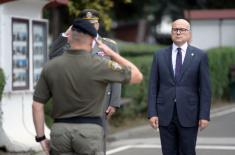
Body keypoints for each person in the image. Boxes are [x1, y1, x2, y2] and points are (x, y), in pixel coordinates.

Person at [32, 19, 143, 155]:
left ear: (69, 38)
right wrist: (112, 54)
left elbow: (37, 105)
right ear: (92, 40)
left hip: (59, 132)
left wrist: (41, 137)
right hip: (89, 132)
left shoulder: (51, 66)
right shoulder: (100, 65)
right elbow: (137, 75)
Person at [147, 19, 211, 155]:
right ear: (171, 33)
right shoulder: (159, 55)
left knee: (187, 151)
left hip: (189, 113)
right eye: (175, 29)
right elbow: (153, 86)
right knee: (168, 152)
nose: (178, 32)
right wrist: (152, 113)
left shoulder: (200, 56)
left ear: (189, 33)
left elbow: (205, 88)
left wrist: (204, 115)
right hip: (165, 113)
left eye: (182, 29)